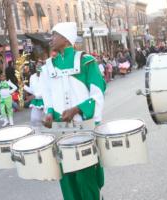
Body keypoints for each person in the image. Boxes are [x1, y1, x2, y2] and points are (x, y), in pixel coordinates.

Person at [40, 22, 106, 200]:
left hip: (84, 126)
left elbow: (98, 92)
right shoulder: (47, 67)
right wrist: (48, 113)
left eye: (55, 35)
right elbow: (47, 95)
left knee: (86, 175)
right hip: (60, 130)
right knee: (66, 176)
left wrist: (77, 109)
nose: (51, 39)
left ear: (66, 38)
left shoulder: (86, 61)